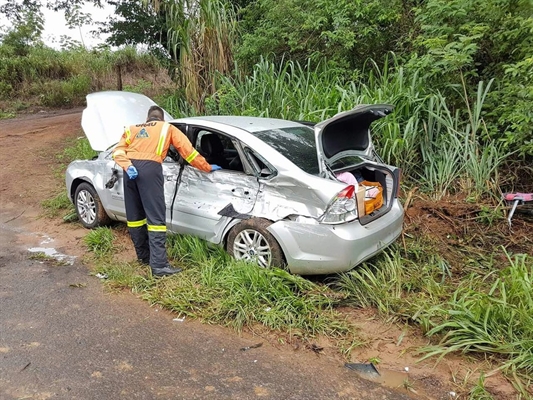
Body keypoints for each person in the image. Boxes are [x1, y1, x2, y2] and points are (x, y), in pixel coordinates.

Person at [112, 105, 222, 277]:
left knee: (135, 217)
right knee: (156, 218)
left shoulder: (132, 129)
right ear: (161, 118)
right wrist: (206, 167)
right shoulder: (167, 128)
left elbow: (117, 151)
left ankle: (144, 257)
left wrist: (128, 166)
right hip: (150, 170)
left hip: (129, 170)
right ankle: (159, 266)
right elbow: (188, 153)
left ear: (147, 119)